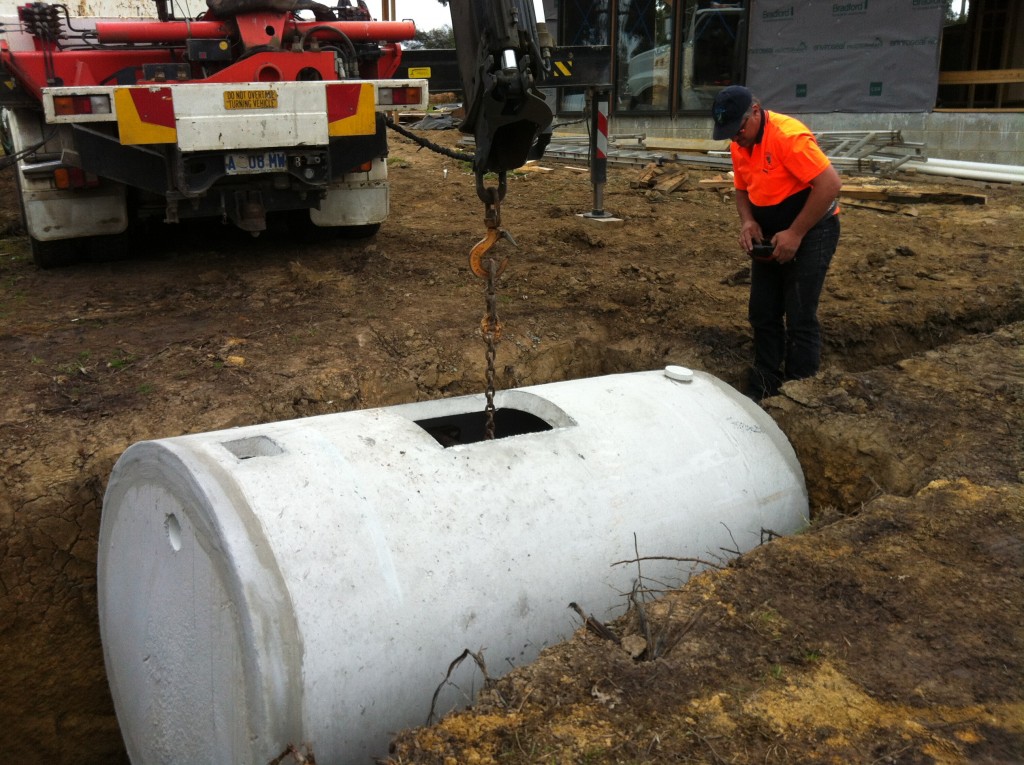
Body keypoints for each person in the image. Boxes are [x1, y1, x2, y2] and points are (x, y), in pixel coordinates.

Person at [711, 85, 842, 400]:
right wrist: (748, 221)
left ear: (755, 111)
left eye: (739, 129)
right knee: (763, 311)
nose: (735, 137)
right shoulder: (740, 143)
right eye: (728, 132)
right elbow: (742, 189)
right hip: (770, 233)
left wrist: (796, 233)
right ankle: (764, 387)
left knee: (799, 314)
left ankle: (798, 395)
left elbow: (830, 185)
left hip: (813, 229)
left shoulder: (787, 137)